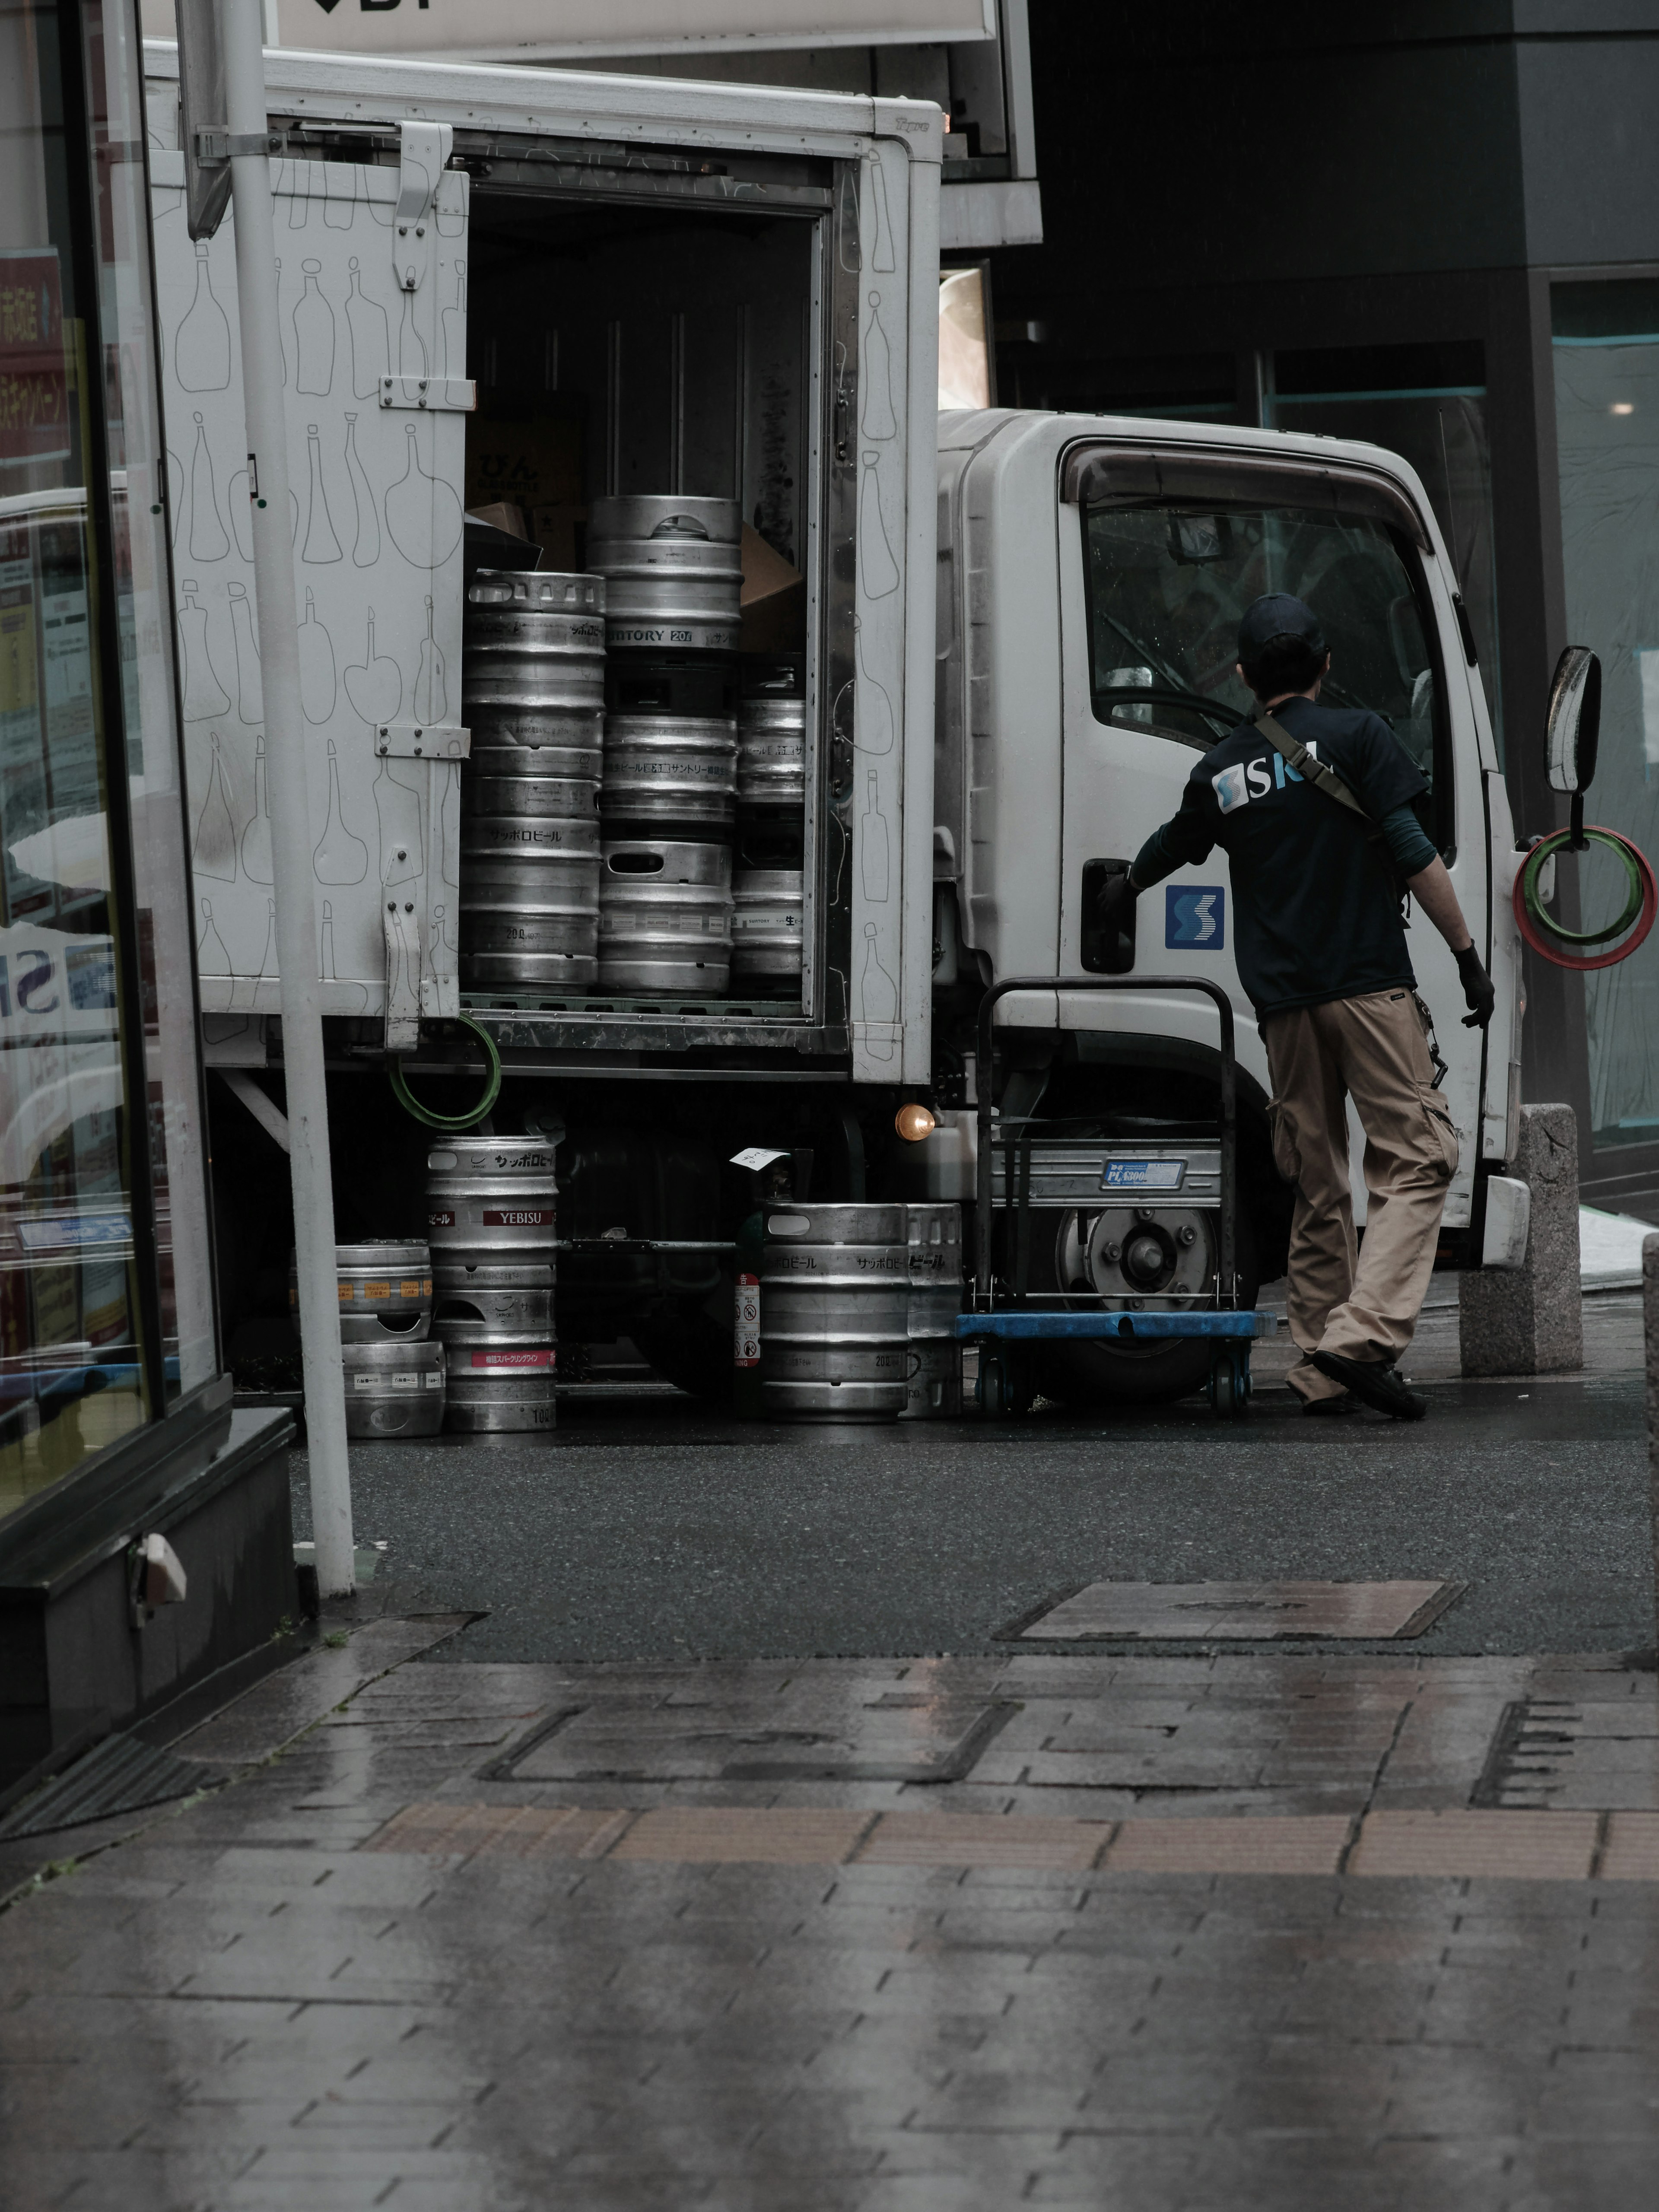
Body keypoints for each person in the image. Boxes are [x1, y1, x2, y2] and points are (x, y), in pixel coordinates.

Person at [1097, 592, 1494, 1421]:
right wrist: (1466, 959)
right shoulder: (1360, 738)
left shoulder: (1221, 769)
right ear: (1325, 666)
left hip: (1283, 1011)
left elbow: (1175, 843)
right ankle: (1360, 1337)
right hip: (1370, 993)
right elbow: (1418, 858)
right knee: (1419, 1158)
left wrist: (1125, 887)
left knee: (1318, 1184)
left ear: (1243, 676)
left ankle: (1318, 1369)